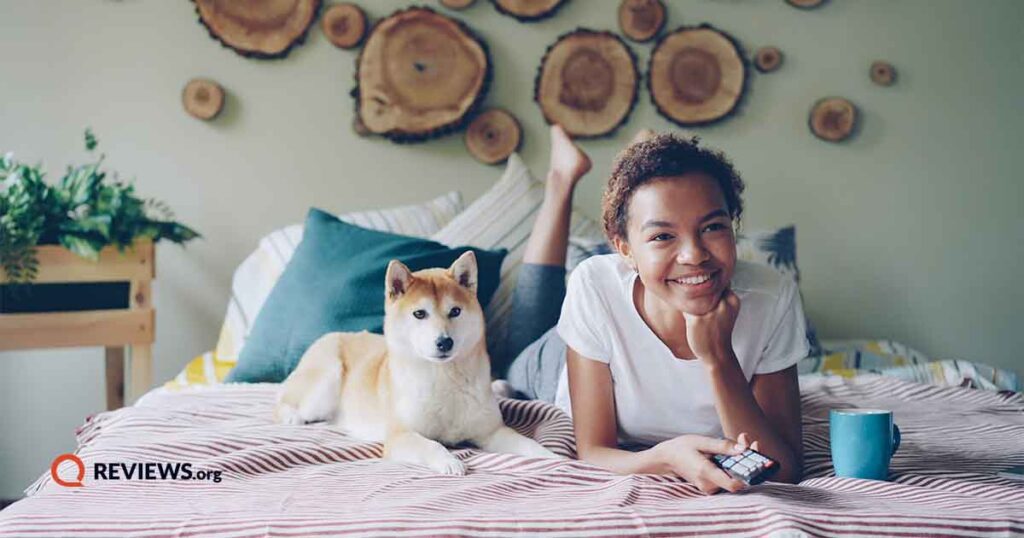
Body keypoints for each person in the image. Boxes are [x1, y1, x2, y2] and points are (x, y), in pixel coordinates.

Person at [500, 125, 809, 494]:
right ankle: (562, 180)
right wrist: (666, 459)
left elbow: (784, 469)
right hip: (553, 365)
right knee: (520, 341)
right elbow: (594, 451)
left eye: (712, 227)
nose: (694, 255)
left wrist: (718, 358)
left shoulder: (773, 298)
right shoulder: (595, 285)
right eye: (663, 235)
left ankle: (637, 161)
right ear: (624, 249)